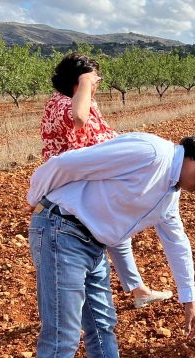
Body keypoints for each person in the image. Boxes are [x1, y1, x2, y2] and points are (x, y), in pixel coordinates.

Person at [26, 130, 195, 358]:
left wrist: (190, 303)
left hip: (92, 244)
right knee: (62, 336)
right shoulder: (151, 153)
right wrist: (34, 198)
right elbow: (66, 164)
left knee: (102, 326)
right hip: (61, 228)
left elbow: (178, 245)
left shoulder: (170, 197)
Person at [41, 52, 169, 309]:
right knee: (104, 236)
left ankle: (137, 290)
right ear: (79, 81)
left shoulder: (83, 103)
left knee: (116, 234)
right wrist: (86, 82)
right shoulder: (62, 105)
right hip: (74, 188)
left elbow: (103, 136)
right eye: (94, 80)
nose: (98, 84)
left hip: (92, 181)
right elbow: (78, 119)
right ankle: (98, 302)